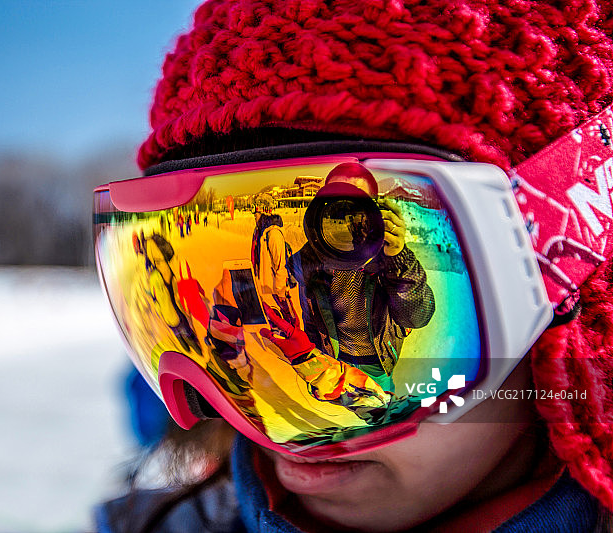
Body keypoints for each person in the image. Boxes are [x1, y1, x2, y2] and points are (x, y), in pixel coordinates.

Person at [95, 1, 613, 532]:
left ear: (569, 275)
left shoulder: (392, 267)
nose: (278, 437)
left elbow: (418, 316)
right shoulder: (285, 266)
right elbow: (244, 307)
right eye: (327, 218)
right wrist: (225, 347)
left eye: (360, 218)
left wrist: (402, 270)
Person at [290, 163, 435, 393]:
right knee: (337, 417)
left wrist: (398, 256)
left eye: (358, 206)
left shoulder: (387, 254)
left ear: (375, 209)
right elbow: (305, 310)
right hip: (333, 359)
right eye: (337, 204)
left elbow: (416, 317)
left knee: (378, 412)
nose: (348, 215)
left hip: (376, 362)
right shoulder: (311, 255)